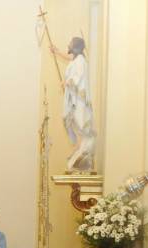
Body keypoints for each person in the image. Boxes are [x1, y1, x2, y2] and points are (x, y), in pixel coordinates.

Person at [50, 37, 96, 172]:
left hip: (79, 102)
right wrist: (57, 52)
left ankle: (85, 151)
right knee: (70, 120)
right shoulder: (77, 59)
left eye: (70, 43)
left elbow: (78, 77)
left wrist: (67, 82)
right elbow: (70, 59)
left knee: (80, 123)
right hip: (74, 99)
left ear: (75, 46)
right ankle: (80, 148)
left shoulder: (81, 61)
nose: (68, 45)